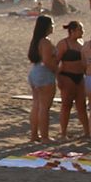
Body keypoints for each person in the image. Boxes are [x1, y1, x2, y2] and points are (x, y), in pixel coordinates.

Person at [54, 21, 90, 140]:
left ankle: (87, 131)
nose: (82, 31)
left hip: (80, 77)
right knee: (66, 105)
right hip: (67, 76)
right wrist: (59, 79)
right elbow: (56, 62)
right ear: (72, 31)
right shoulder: (63, 44)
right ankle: (63, 132)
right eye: (80, 29)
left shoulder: (81, 43)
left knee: (82, 106)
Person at [27, 15, 60, 143]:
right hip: (44, 73)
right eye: (52, 24)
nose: (53, 26)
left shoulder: (36, 41)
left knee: (36, 105)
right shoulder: (45, 42)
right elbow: (47, 61)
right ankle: (45, 136)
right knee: (44, 107)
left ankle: (34, 135)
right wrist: (57, 71)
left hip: (35, 72)